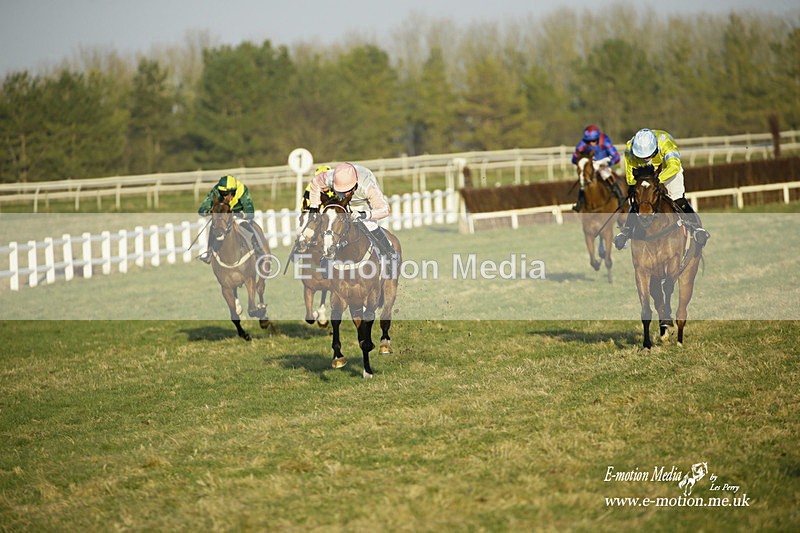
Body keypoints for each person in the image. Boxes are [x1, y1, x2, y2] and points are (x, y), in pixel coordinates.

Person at [613, 128, 711, 250]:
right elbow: (630, 176)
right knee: (637, 199)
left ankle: (697, 229)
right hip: (646, 175)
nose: (646, 158)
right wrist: (638, 189)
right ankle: (626, 232)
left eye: (649, 155)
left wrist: (657, 180)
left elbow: (674, 166)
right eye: (642, 156)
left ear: (655, 148)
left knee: (677, 197)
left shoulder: (665, 142)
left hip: (667, 170)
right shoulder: (630, 148)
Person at [307, 162, 396, 258]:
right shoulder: (329, 177)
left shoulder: (368, 186)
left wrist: (364, 214)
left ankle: (389, 251)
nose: (346, 194)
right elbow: (315, 183)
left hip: (362, 202)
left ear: (355, 183)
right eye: (342, 190)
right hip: (340, 202)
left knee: (369, 225)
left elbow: (385, 209)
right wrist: (313, 206)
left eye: (348, 190)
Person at [197, 174, 270, 263]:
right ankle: (209, 253)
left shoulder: (242, 190)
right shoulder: (216, 190)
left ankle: (259, 250)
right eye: (222, 193)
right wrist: (209, 211)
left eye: (225, 193)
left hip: (238, 214)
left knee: (248, 226)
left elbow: (250, 213)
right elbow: (202, 209)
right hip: (223, 216)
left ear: (233, 191)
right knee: (214, 225)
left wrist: (240, 215)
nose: (223, 196)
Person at [571, 124, 624, 210]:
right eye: (589, 141)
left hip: (604, 162)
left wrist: (609, 163)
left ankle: (620, 197)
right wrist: (578, 158)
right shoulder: (583, 143)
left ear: (598, 138)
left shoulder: (605, 140)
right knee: (583, 178)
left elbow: (616, 157)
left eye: (594, 140)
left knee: (606, 175)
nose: (591, 143)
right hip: (591, 163)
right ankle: (579, 202)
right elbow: (575, 157)